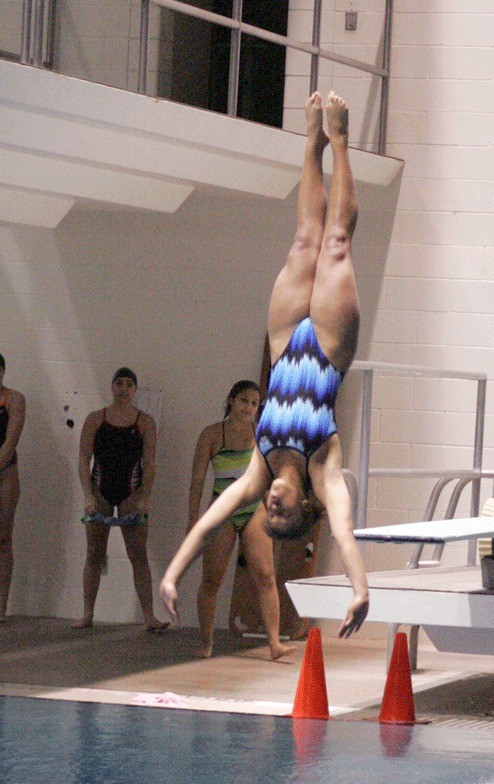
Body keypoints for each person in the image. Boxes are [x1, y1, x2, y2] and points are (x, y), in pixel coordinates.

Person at [161, 91, 369, 638]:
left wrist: (173, 574)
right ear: (304, 509)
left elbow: (210, 521)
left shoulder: (259, 467)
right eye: (283, 512)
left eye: (269, 512)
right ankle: (342, 143)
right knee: (337, 243)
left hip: (283, 344)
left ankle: (310, 140)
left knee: (305, 238)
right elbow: (345, 532)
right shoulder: (324, 469)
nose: (272, 504)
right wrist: (360, 589)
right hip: (326, 346)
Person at [187, 379, 295, 660]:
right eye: (244, 401)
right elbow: (197, 481)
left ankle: (274, 643)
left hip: (252, 509)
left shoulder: (261, 434)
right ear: (231, 400)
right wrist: (192, 520)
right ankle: (206, 641)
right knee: (212, 580)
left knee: (266, 575)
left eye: (254, 403)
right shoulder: (211, 435)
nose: (248, 407)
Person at [73, 367, 168, 631]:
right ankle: (87, 614)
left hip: (131, 493)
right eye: (119, 383)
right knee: (94, 553)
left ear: (135, 390)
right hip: (100, 491)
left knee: (138, 555)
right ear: (112, 387)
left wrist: (144, 497)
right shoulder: (95, 419)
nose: (123, 388)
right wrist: (88, 495)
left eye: (129, 384)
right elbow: (83, 460)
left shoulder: (145, 422)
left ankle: (149, 617)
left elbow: (150, 464)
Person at [0, 354, 26, 622]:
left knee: (3, 539)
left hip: (5, 473)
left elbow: (11, 441)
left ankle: (1, 605)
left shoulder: (14, 399)